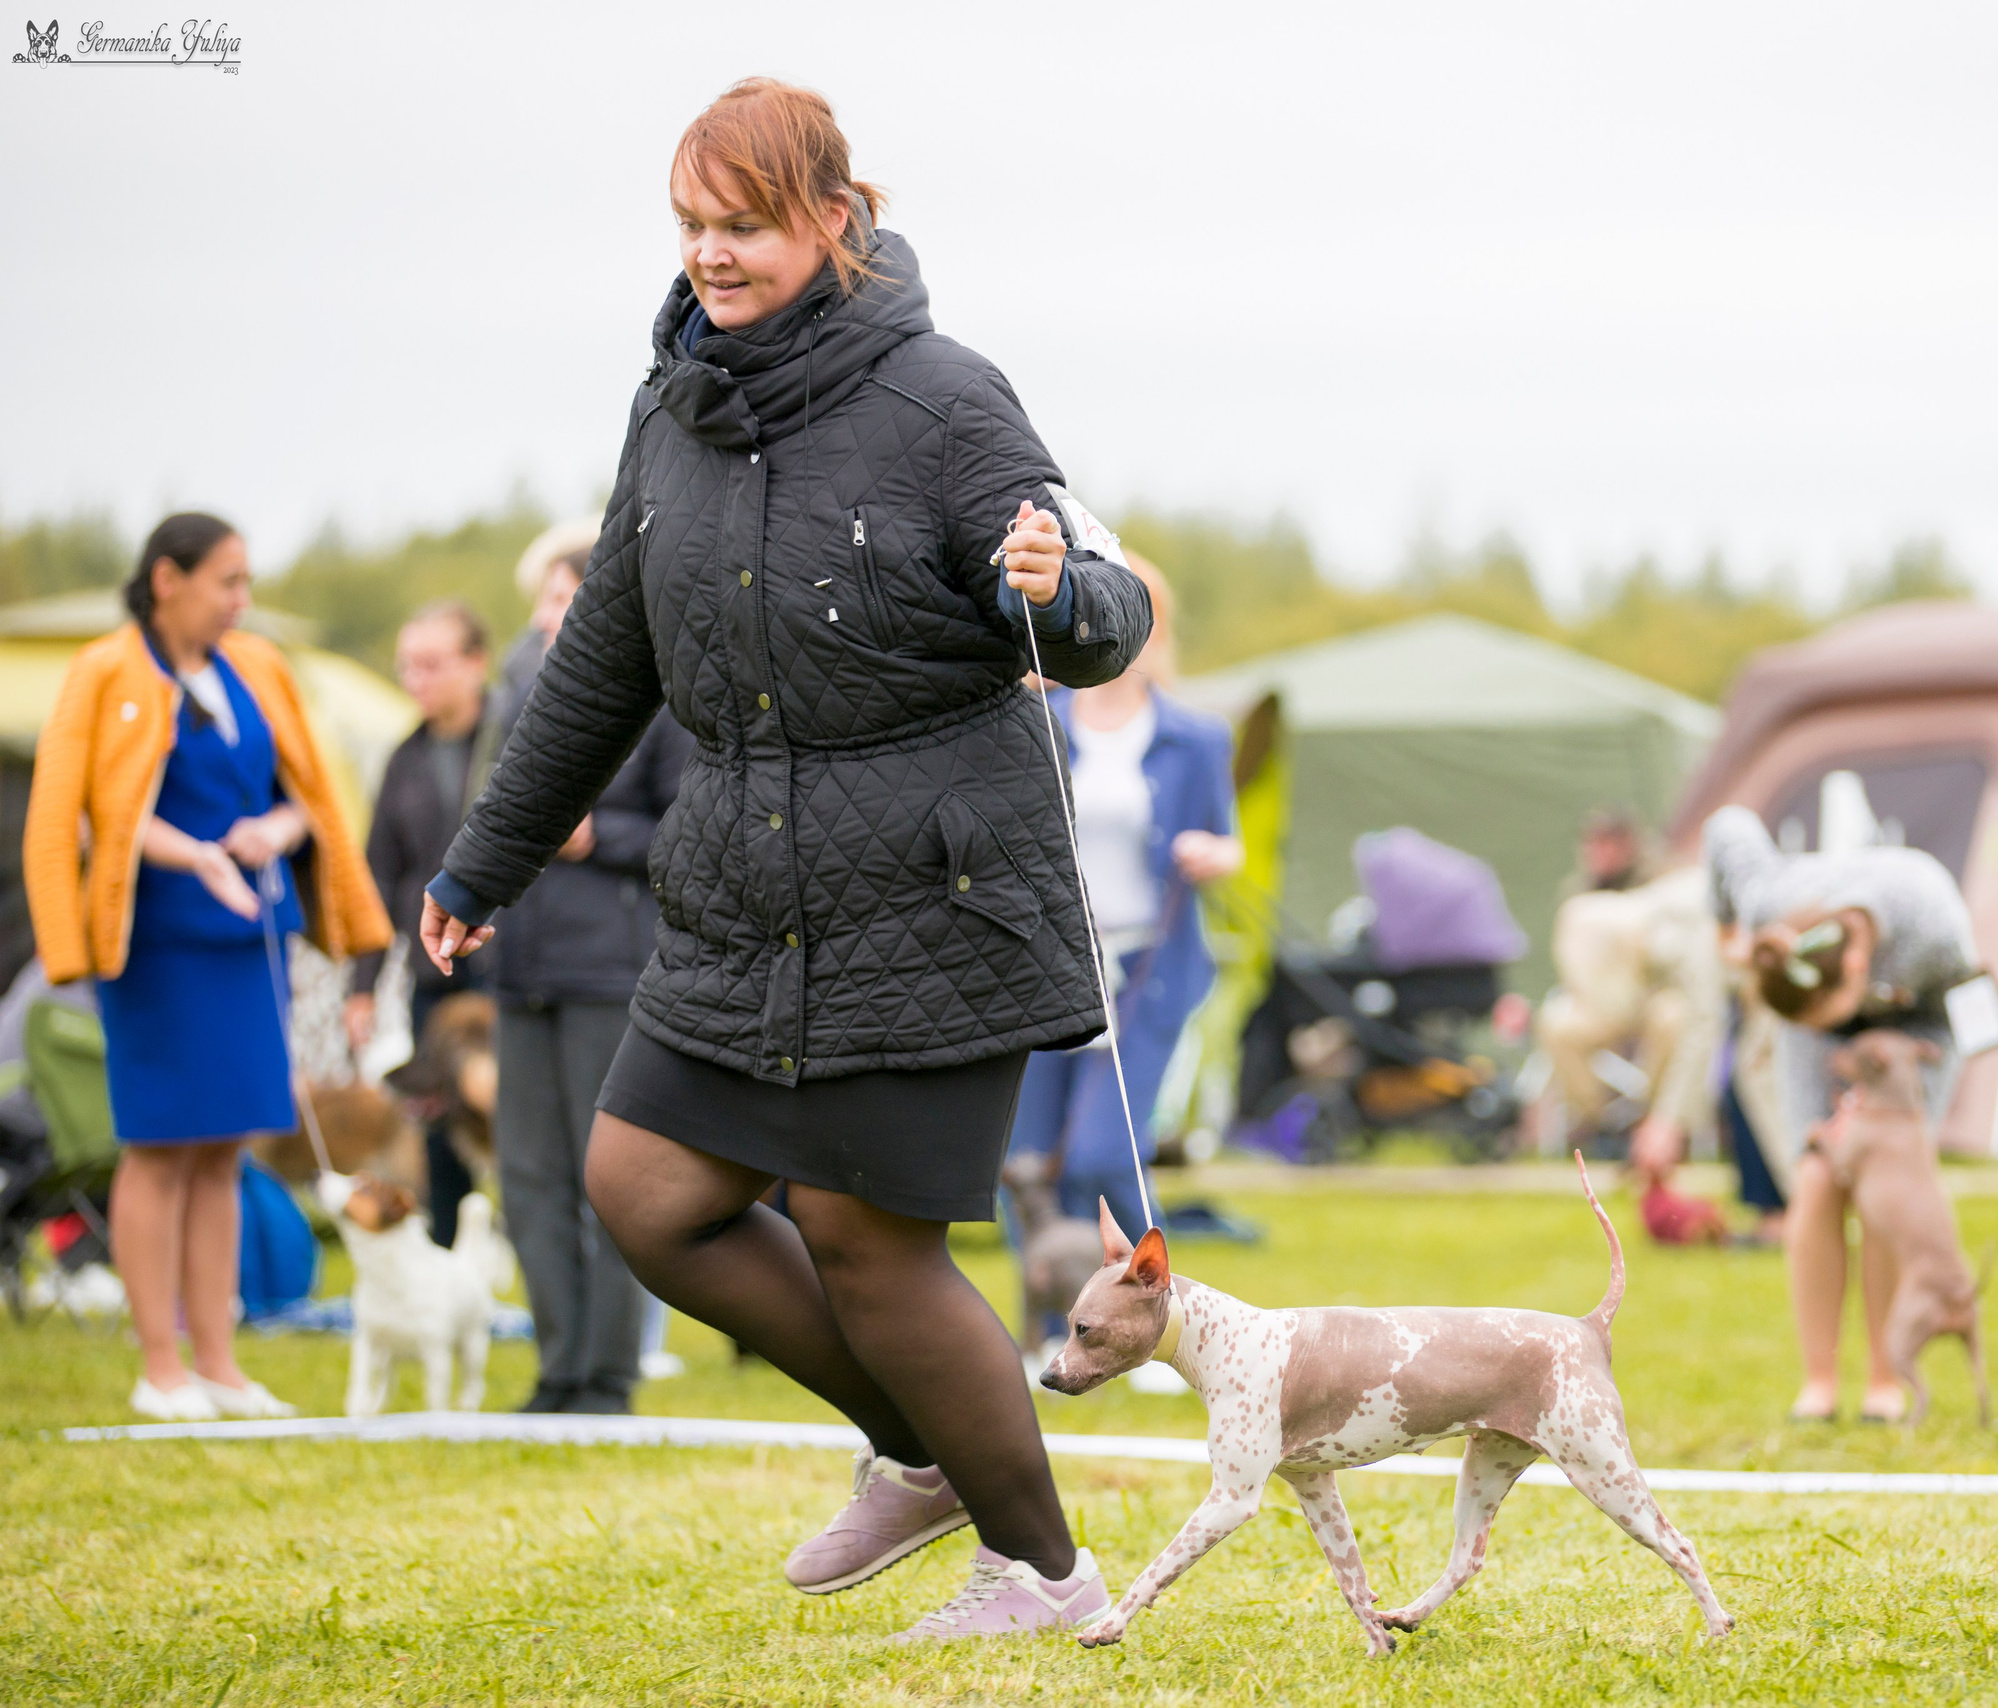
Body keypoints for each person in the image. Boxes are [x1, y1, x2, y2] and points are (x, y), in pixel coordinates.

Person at [412, 79, 1153, 1638]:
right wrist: (483, 865)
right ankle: (923, 1450)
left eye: (742, 224)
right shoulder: (670, 408)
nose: (711, 254)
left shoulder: (948, 396)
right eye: (691, 225)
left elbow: (1104, 609)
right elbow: (605, 656)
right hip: (746, 892)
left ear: (832, 219)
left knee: (865, 1243)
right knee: (644, 1187)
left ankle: (1046, 1578)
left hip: (937, 887)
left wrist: (1058, 592)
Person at [23, 512, 389, 1420]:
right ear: (167, 580)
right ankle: (161, 1369)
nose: (242, 600)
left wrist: (276, 827)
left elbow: (308, 792)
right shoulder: (103, 670)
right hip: (157, 946)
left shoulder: (256, 667)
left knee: (225, 1148)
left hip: (249, 941)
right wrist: (195, 854)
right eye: (228, 581)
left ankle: (220, 1365)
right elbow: (87, 808)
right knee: (160, 1148)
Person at [482, 525, 693, 1415]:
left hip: (611, 970)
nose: (545, 618)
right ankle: (557, 1370)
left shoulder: (662, 692)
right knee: (530, 1181)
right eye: (541, 601)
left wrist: (596, 836)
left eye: (562, 599)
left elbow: (692, 828)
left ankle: (608, 1376)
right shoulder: (516, 694)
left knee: (609, 1182)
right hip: (521, 968)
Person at [1005, 553, 1240, 1281]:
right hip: (1048, 964)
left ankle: (1165, 1307)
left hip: (1148, 971)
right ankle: (1053, 1321)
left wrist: (1210, 853)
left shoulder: (1197, 737)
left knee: (1103, 1156)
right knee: (1027, 1163)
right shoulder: (1036, 718)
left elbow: (1229, 841)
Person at [1702, 804, 1976, 1424]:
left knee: (1884, 1182)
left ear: (1856, 967)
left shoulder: (1928, 921)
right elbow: (1728, 825)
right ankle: (1819, 1383)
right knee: (1817, 1176)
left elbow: (1969, 1000)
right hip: (1818, 1037)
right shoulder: (1771, 905)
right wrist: (1724, 927)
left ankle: (1884, 1377)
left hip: (1919, 1025)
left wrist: (1906, 1090)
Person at [346, 599, 493, 1248]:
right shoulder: (403, 759)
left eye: (432, 664)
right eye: (408, 666)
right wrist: (361, 987)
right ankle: (446, 1249)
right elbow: (378, 877)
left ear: (476, 662)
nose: (416, 680)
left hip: (512, 972)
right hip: (435, 976)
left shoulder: (514, 740)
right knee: (436, 1122)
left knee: (519, 1122)